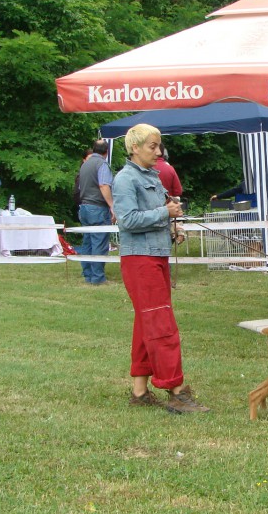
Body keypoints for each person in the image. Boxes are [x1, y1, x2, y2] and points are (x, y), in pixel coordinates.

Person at [112, 123, 209, 414]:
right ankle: (176, 391)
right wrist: (163, 213)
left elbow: (153, 215)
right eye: (152, 146)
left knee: (147, 322)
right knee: (162, 325)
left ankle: (140, 392)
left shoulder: (151, 176)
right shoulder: (125, 179)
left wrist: (172, 220)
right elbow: (127, 220)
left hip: (156, 255)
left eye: (159, 146)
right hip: (139, 259)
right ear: (134, 147)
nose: (158, 151)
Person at [77, 139, 115, 285]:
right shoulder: (102, 164)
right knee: (99, 242)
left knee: (87, 242)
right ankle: (98, 278)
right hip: (97, 207)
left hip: (84, 207)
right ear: (106, 152)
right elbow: (104, 185)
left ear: (93, 150)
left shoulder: (85, 165)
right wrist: (112, 205)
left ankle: (87, 274)